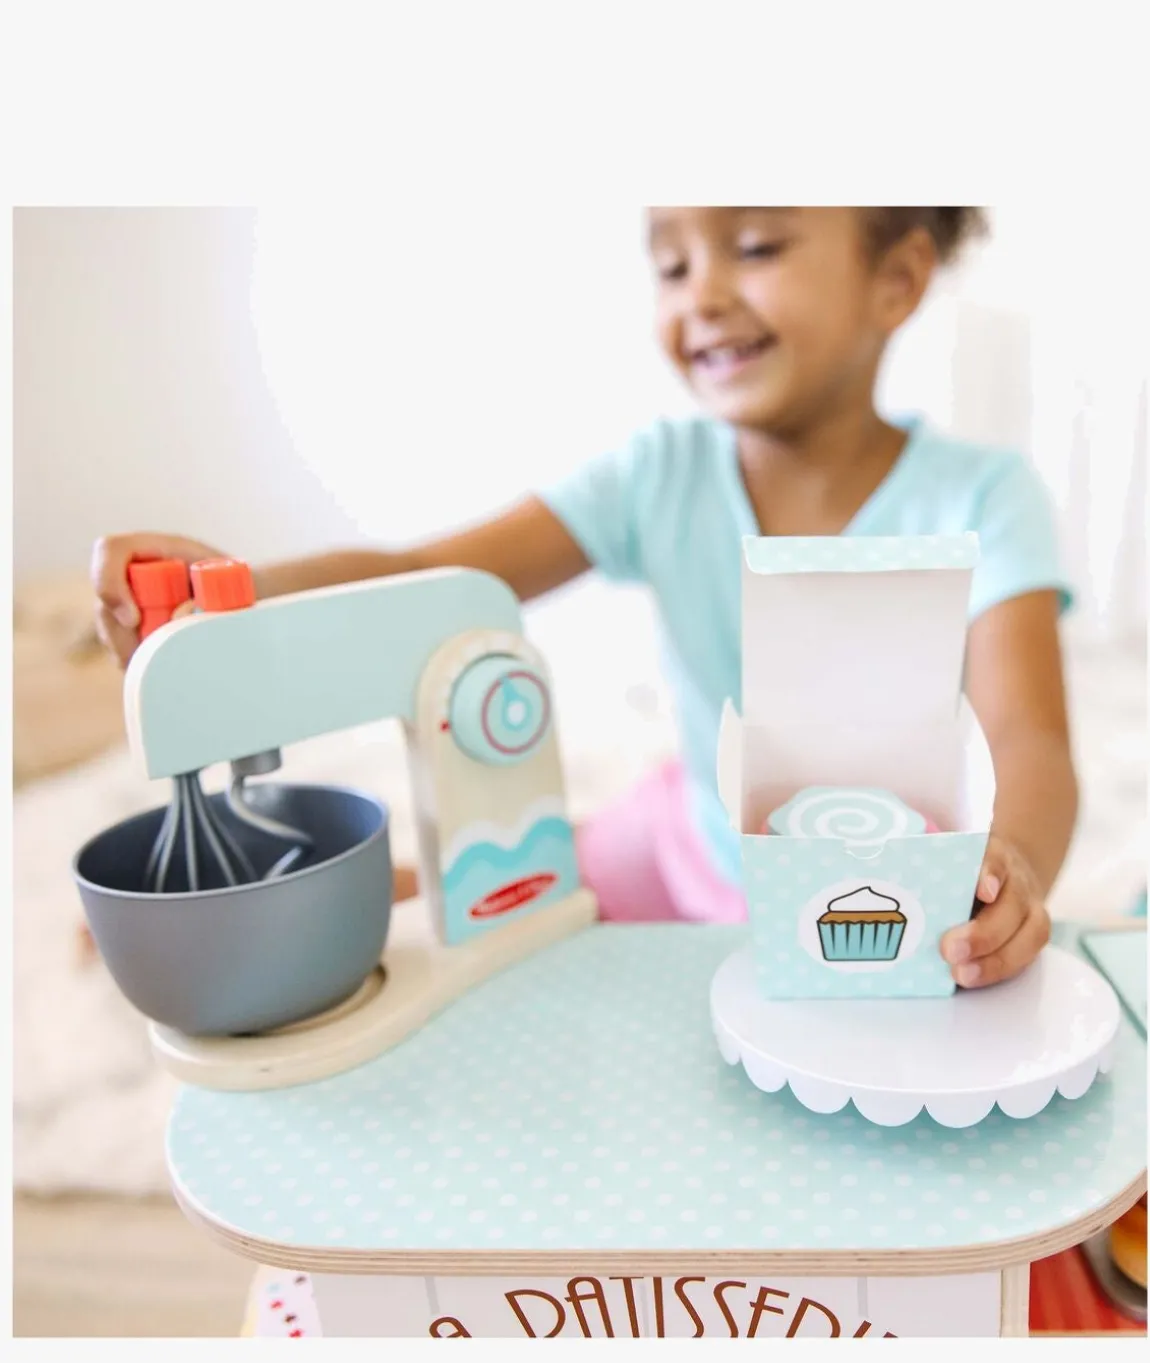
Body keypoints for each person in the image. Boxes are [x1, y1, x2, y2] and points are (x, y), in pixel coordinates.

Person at [91, 206, 1076, 989]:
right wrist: (238, 590)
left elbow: (1026, 737)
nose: (703, 296)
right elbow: (426, 577)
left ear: (896, 278)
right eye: (671, 265)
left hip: (864, 886)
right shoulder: (657, 472)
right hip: (681, 834)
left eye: (754, 247)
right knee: (509, 886)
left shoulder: (984, 495)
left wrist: (1013, 862)